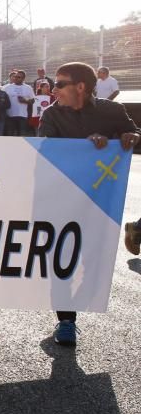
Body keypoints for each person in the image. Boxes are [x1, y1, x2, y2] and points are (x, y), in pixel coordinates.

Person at [37, 62, 140, 345]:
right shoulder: (51, 114)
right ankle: (66, 321)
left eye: (59, 83)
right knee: (62, 260)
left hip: (100, 202)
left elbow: (135, 135)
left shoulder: (113, 111)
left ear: (80, 87)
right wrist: (84, 145)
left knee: (89, 260)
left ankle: (77, 304)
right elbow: (44, 150)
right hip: (61, 198)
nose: (52, 89)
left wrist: (130, 137)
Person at [2, 70, 34, 136]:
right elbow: (2, 99)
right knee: (10, 136)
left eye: (18, 77)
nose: (15, 78)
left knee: (22, 136)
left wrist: (25, 101)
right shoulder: (6, 87)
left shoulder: (28, 88)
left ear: (23, 78)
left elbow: (33, 101)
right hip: (10, 115)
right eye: (15, 76)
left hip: (23, 115)